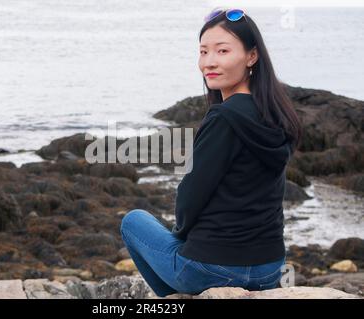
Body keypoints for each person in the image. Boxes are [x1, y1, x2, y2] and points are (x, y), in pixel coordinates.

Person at [120, 8, 302, 297]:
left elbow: (189, 198)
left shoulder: (224, 118)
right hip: (270, 268)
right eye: (203, 52)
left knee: (133, 220)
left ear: (251, 56)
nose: (209, 62)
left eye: (222, 51)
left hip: (213, 267)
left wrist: (182, 237)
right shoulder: (276, 115)